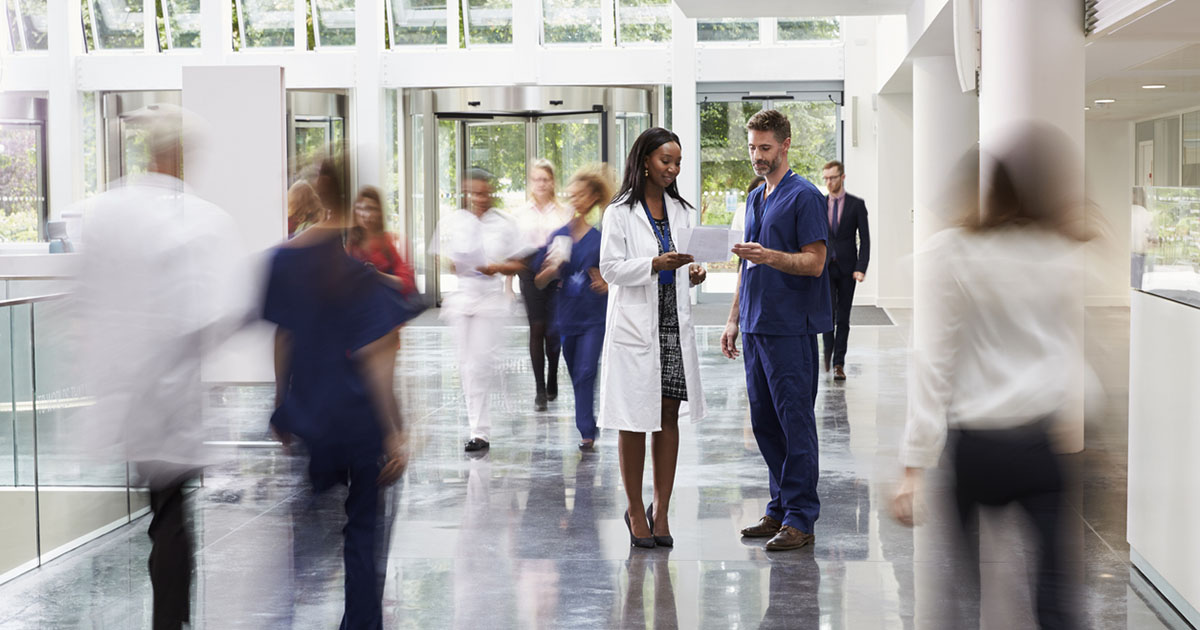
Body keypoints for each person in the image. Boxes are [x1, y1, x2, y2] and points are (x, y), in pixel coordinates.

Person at [891, 127, 1087, 629]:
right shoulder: (1058, 252)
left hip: (977, 445)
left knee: (961, 595)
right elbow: (1068, 350)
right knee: (1057, 601)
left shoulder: (951, 252)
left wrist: (914, 464)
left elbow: (933, 360)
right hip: (1039, 441)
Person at [78, 105, 245, 630]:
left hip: (129, 395)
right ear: (179, 153)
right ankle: (169, 621)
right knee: (171, 516)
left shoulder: (106, 211)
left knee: (164, 513)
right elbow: (221, 314)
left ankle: (168, 618)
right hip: (170, 398)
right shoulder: (203, 220)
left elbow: (86, 300)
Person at [265, 178, 418, 629]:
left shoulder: (290, 263)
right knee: (363, 530)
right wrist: (395, 431)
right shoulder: (363, 279)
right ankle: (360, 622)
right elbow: (378, 356)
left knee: (309, 534)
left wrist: (281, 402)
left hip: (314, 412)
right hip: (361, 419)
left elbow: (284, 335)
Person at [721, 109, 832, 552]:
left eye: (765, 148)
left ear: (786, 145)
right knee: (765, 423)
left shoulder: (805, 197)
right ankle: (781, 507)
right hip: (755, 324)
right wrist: (733, 318)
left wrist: (772, 256)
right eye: (752, 147)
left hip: (791, 328)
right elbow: (746, 265)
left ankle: (801, 517)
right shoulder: (754, 198)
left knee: (794, 423)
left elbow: (816, 261)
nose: (757, 156)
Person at [599, 127, 707, 549]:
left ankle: (660, 511)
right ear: (645, 160)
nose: (673, 169)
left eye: (677, 162)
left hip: (671, 326)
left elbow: (682, 266)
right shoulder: (619, 213)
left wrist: (690, 273)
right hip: (635, 328)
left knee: (667, 414)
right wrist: (654, 264)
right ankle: (633, 508)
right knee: (633, 420)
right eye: (666, 161)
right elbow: (610, 269)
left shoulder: (681, 210)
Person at [438, 168, 531, 452]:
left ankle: (485, 425)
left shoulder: (505, 223)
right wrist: (455, 264)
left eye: (483, 192)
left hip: (490, 301)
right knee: (468, 367)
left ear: (491, 191)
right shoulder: (454, 222)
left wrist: (497, 268)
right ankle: (477, 431)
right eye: (473, 193)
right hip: (463, 299)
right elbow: (444, 259)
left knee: (480, 363)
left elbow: (521, 263)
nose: (479, 198)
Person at [533, 165, 615, 450]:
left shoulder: (602, 238)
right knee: (575, 371)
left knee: (585, 371)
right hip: (567, 317)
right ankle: (587, 423)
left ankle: (586, 429)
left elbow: (615, 275)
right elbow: (539, 280)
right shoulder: (559, 236)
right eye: (572, 195)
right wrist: (551, 270)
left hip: (594, 316)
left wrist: (607, 284)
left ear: (593, 198)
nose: (575, 200)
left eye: (581, 195)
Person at [516, 159, 573, 411]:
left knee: (553, 331)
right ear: (531, 183)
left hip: (556, 273)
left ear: (552, 182)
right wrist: (508, 284)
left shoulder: (564, 212)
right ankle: (539, 388)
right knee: (536, 328)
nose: (541, 183)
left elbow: (570, 244)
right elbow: (514, 252)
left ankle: (552, 376)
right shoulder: (520, 214)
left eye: (545, 179)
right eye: (536, 179)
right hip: (529, 273)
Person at [820, 160, 871, 381]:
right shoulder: (819, 204)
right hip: (825, 268)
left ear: (842, 177)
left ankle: (839, 363)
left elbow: (865, 240)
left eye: (833, 177)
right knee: (826, 315)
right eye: (826, 178)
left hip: (848, 269)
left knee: (843, 317)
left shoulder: (856, 205)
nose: (829, 182)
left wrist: (861, 268)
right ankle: (827, 357)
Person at [347, 185, 417, 295]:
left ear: (379, 212)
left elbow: (406, 283)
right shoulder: (352, 244)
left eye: (370, 208)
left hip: (383, 307)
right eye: (359, 208)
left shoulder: (388, 241)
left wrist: (378, 275)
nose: (365, 214)